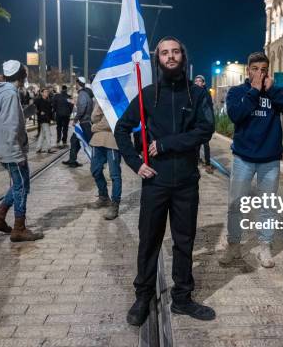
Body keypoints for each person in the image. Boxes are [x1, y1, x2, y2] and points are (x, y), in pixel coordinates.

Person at [115, 36, 216, 326]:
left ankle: (182, 298)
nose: (170, 57)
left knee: (184, 242)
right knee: (149, 241)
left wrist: (167, 143)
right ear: (157, 59)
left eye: (174, 52)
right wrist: (136, 164)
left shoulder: (197, 95)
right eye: (164, 53)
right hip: (156, 183)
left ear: (183, 56)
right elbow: (122, 129)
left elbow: (204, 130)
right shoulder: (148, 94)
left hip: (186, 182)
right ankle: (143, 295)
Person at [219, 52, 283, 268]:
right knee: (236, 204)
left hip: (270, 160)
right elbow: (236, 115)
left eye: (263, 69)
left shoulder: (275, 93)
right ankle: (234, 245)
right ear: (248, 71)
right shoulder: (238, 92)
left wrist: (272, 90)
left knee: (268, 206)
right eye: (255, 69)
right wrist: (254, 91)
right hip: (243, 159)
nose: (259, 73)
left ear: (268, 71)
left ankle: (265, 245)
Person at [0, 60, 43, 242]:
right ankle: (19, 228)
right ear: (21, 75)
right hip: (11, 149)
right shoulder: (10, 94)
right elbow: (11, 125)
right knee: (21, 187)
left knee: (21, 184)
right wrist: (18, 153)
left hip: (4, 146)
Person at [89, 102, 122, 220]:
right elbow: (93, 117)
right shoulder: (100, 98)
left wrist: (94, 127)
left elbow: (110, 123)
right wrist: (100, 107)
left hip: (112, 141)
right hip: (97, 141)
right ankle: (103, 196)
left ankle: (115, 204)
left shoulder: (117, 99)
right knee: (95, 170)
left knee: (114, 175)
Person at [63, 77, 94, 168]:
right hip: (85, 122)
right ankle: (72, 160)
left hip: (85, 123)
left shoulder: (82, 94)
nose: (75, 85)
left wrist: (75, 119)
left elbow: (82, 109)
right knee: (74, 140)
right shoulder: (85, 93)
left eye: (76, 83)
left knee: (90, 143)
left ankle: (98, 161)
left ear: (78, 84)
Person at [193, 75, 215, 174]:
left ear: (203, 83)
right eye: (196, 81)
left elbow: (209, 110)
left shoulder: (206, 94)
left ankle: (208, 164)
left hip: (205, 123)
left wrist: (211, 124)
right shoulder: (192, 94)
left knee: (206, 144)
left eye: (200, 81)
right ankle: (196, 160)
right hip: (195, 124)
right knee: (196, 144)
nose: (197, 82)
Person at [34, 88, 56, 153]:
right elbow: (34, 109)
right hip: (42, 119)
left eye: (47, 92)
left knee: (42, 134)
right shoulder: (38, 100)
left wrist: (53, 119)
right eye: (45, 92)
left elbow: (50, 111)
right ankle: (49, 148)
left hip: (47, 119)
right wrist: (39, 112)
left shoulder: (49, 101)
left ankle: (38, 148)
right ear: (42, 93)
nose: (47, 93)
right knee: (48, 133)